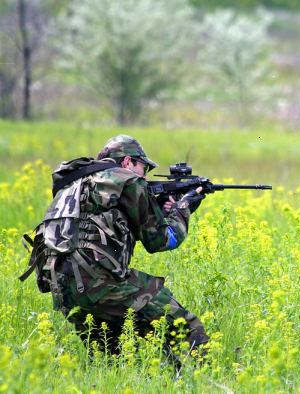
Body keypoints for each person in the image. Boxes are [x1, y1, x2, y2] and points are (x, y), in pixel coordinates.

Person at [20, 135, 208, 359]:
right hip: (101, 285)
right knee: (185, 328)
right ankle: (203, 380)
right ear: (128, 162)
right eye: (143, 167)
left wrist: (158, 208)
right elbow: (161, 240)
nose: (144, 175)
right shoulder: (126, 179)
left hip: (63, 289)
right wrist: (183, 208)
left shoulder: (74, 183)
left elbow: (101, 224)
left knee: (112, 359)